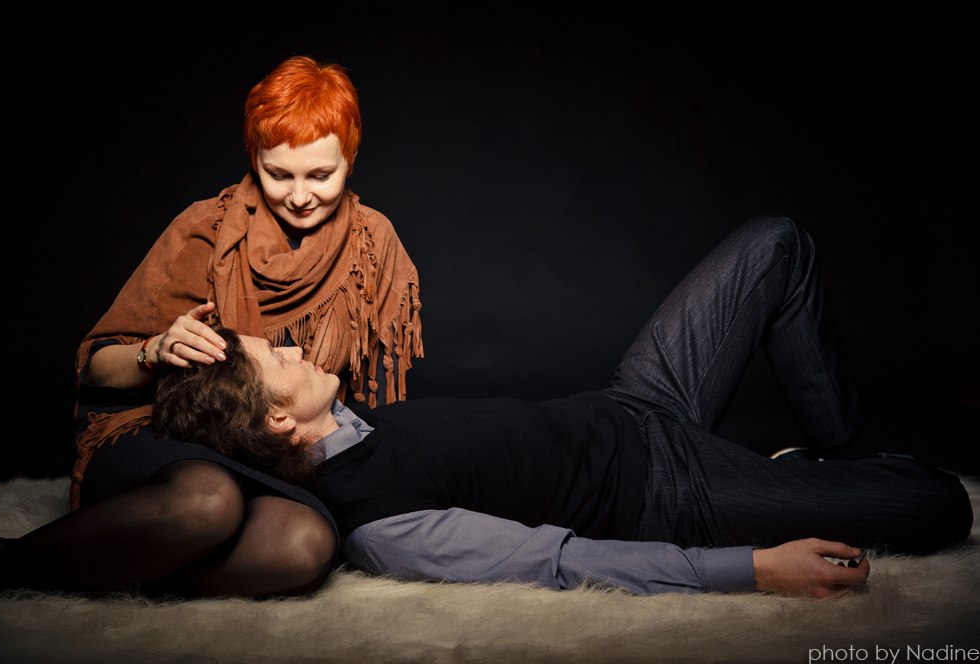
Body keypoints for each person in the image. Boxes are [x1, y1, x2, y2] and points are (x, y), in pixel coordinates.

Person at [150, 215, 971, 599]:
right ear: (278, 421)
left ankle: (837, 457)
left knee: (777, 245)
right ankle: (830, 480)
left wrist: (170, 353)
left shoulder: (353, 420)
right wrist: (757, 570)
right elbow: (563, 561)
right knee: (938, 505)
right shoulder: (383, 526)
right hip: (666, 492)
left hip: (636, 401)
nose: (295, 348)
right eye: (277, 359)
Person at [0, 56, 423, 598]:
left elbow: (368, 407)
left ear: (349, 161)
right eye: (279, 174)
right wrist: (155, 350)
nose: (299, 195)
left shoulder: (372, 244)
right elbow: (95, 367)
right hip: (166, 431)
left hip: (275, 452)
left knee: (305, 545)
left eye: (320, 175)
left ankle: (109, 562)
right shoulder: (204, 229)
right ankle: (0, 562)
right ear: (254, 158)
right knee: (209, 502)